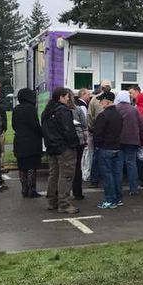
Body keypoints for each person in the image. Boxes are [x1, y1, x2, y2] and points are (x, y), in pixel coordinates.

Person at [41, 87, 80, 215]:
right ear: (61, 97)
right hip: (64, 148)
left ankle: (52, 201)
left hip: (51, 147)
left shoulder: (46, 112)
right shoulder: (63, 111)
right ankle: (64, 204)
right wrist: (74, 144)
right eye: (67, 96)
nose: (69, 98)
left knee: (54, 175)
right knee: (66, 176)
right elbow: (68, 130)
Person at [93, 92, 124, 209]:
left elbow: (97, 134)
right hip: (118, 147)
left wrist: (98, 145)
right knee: (117, 174)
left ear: (107, 101)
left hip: (106, 148)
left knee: (107, 175)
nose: (100, 102)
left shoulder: (103, 115)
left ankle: (110, 199)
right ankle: (118, 198)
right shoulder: (118, 115)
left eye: (101, 100)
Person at [12, 88, 43, 198]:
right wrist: (42, 133)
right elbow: (35, 125)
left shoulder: (16, 109)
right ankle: (32, 190)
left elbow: (14, 126)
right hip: (32, 141)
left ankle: (24, 189)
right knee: (31, 167)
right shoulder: (31, 109)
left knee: (22, 167)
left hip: (19, 141)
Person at [116, 90, 143, 196]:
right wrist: (142, 142)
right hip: (133, 141)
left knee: (118, 165)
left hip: (118, 141)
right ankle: (133, 189)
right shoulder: (134, 110)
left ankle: (117, 189)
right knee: (131, 164)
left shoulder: (116, 109)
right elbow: (142, 126)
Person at [87, 80, 112, 186]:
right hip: (110, 132)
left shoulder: (94, 99)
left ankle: (95, 180)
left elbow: (90, 116)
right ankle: (106, 179)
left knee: (97, 156)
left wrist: (92, 128)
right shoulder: (112, 98)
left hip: (98, 131)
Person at [67, 89, 88, 201]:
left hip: (66, 142)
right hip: (78, 140)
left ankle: (63, 192)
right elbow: (85, 125)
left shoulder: (60, 109)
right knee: (77, 167)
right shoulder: (78, 109)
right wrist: (85, 140)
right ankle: (78, 192)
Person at [77, 88, 93, 184]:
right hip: (84, 134)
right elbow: (85, 121)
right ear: (82, 94)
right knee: (86, 155)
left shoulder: (76, 104)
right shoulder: (82, 107)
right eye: (88, 94)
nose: (89, 96)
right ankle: (85, 174)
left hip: (78, 134)